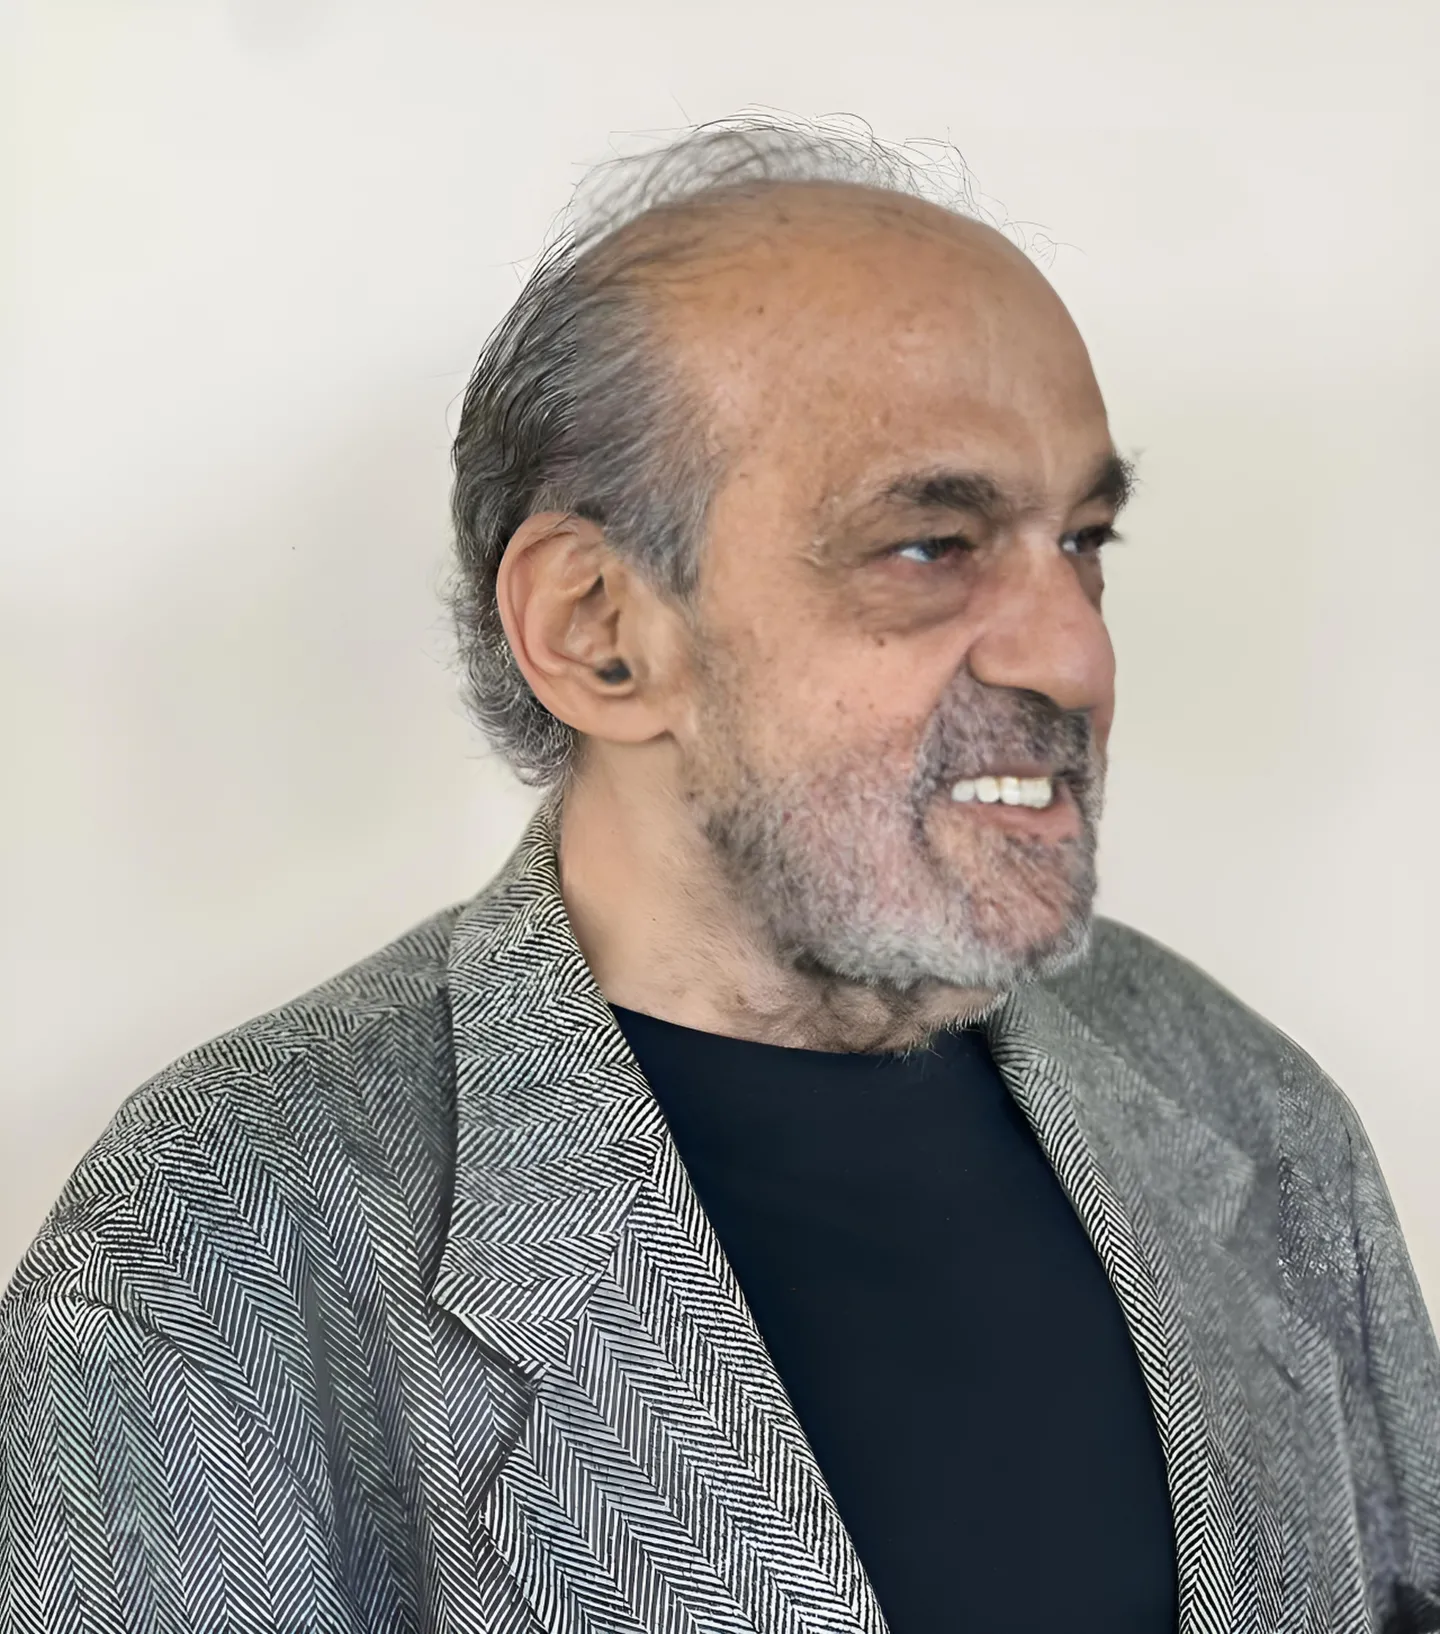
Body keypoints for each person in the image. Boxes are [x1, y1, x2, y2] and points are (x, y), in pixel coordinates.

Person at [2, 115, 1437, 1634]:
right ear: (600, 631)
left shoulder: (1244, 1104)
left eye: (1083, 541)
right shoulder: (217, 1242)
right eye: (931, 545)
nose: (1075, 654)